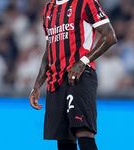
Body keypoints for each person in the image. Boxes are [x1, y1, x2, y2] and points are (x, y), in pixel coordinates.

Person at [29, 0, 117, 150]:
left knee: (84, 133)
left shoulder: (85, 3)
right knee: (64, 139)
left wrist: (83, 61)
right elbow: (49, 51)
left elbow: (110, 36)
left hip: (80, 76)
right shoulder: (49, 9)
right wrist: (37, 85)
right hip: (55, 81)